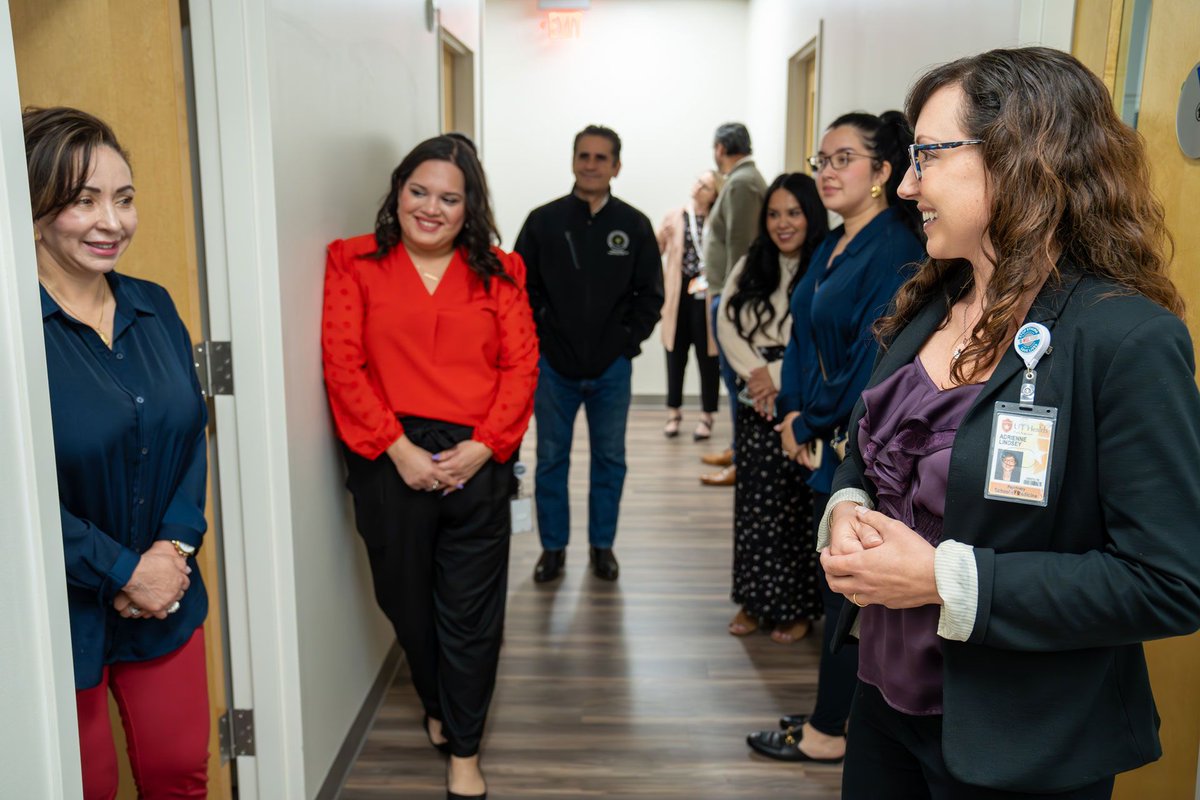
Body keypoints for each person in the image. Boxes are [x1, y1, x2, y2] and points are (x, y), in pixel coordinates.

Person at [820, 47, 1200, 798]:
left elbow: (1166, 583)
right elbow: (870, 459)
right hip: (882, 700)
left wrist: (939, 579)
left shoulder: (1123, 338)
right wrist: (846, 508)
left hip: (1021, 738)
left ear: (1020, 156)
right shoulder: (930, 303)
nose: (905, 184)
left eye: (927, 156)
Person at [323, 135, 538, 800]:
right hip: (390, 461)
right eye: (419, 191)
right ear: (397, 190)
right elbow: (343, 361)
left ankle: (466, 751)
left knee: (472, 614)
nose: (431, 208)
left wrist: (486, 445)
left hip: (479, 457)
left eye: (450, 197)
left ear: (468, 207)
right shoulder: (351, 261)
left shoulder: (502, 271)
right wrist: (399, 450)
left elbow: (521, 364)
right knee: (409, 606)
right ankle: (440, 701)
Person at [27, 107, 210, 798]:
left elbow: (189, 435)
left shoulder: (154, 306)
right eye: (83, 200)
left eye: (123, 198)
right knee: (85, 786)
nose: (112, 221)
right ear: (36, 210)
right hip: (60, 611)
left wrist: (174, 551)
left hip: (165, 598)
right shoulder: (18, 338)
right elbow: (20, 499)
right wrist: (122, 570)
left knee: (179, 773)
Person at [747, 110, 924, 764]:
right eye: (822, 159)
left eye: (843, 158)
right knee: (837, 591)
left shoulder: (896, 251)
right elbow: (801, 336)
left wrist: (814, 423)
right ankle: (833, 715)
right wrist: (793, 409)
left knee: (848, 598)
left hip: (858, 446)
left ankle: (828, 731)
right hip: (819, 434)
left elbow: (871, 362)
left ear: (883, 172)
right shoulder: (831, 244)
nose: (827, 171)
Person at [514, 124, 663, 584]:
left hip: (610, 371)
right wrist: (542, 342)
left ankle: (602, 546)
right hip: (553, 369)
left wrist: (624, 344)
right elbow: (520, 289)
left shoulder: (633, 224)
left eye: (601, 157)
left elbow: (650, 296)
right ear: (573, 160)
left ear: (616, 166)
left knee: (609, 461)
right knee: (551, 461)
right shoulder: (543, 222)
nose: (591, 164)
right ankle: (553, 549)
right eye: (584, 155)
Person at [716, 173, 829, 643]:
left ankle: (794, 607)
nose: (783, 223)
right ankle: (754, 601)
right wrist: (755, 376)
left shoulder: (825, 261)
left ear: (811, 216)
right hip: (754, 394)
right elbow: (725, 320)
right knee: (754, 508)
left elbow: (820, 335)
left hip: (800, 395)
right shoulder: (751, 261)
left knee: (794, 508)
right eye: (775, 214)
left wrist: (777, 378)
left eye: (793, 213)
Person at [699, 122, 768, 486]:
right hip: (725, 297)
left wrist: (727, 304)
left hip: (732, 300)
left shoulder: (742, 184)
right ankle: (736, 447)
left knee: (735, 381)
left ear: (722, 147)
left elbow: (741, 247)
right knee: (730, 380)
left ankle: (742, 459)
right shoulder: (741, 180)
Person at [657, 170, 722, 440]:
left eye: (705, 185)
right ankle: (674, 412)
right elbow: (653, 249)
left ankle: (707, 417)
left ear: (714, 193)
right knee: (675, 356)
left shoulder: (718, 219)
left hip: (706, 298)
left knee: (708, 360)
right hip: (678, 297)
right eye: (698, 181)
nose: (698, 187)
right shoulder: (675, 216)